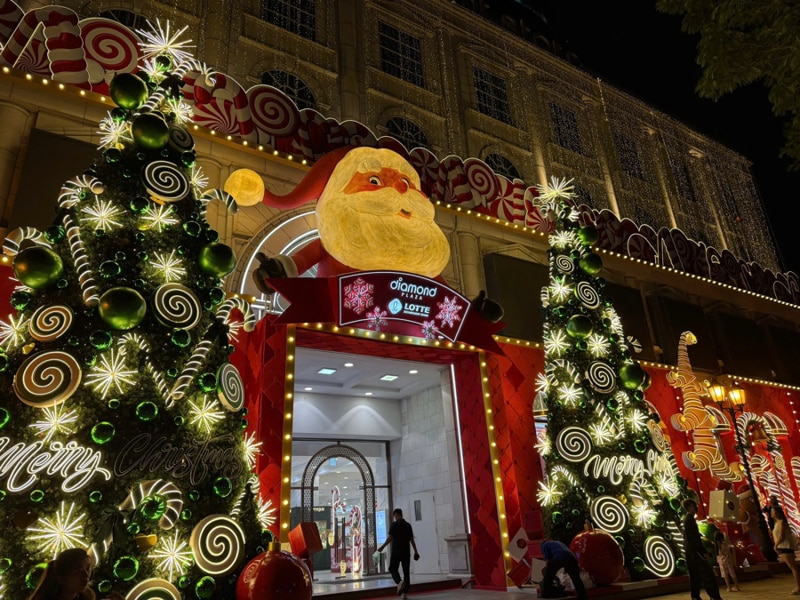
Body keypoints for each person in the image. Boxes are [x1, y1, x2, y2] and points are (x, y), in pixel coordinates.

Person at [28, 547, 124, 600]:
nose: (86, 575)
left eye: (88, 568)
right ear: (61, 578)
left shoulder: (87, 596)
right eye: (78, 571)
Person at [682, 498, 723, 600]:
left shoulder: (688, 519)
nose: (696, 507)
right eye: (694, 505)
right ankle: (714, 597)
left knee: (695, 576)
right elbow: (694, 538)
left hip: (691, 553)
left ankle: (695, 596)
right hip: (695, 554)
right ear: (689, 507)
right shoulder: (690, 520)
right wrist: (703, 552)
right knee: (707, 575)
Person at [377, 508, 419, 599]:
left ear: (396, 515)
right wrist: (416, 551)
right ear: (402, 515)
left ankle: (399, 582)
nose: (395, 518)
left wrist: (382, 546)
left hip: (396, 551)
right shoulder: (408, 525)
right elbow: (411, 539)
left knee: (392, 568)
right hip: (406, 552)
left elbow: (390, 538)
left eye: (395, 516)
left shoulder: (394, 525)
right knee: (406, 572)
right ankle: (404, 594)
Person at [772, 506, 800, 595]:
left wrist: (776, 545)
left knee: (793, 568)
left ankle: (799, 587)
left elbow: (782, 535)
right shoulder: (776, 523)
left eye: (773, 511)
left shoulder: (782, 522)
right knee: (792, 567)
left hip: (785, 546)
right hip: (782, 546)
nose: (772, 513)